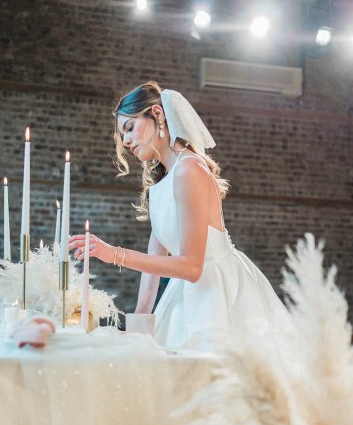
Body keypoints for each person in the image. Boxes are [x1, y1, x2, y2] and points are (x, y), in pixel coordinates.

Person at [69, 81, 290, 350]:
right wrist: (138, 329)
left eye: (130, 128)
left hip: (216, 295)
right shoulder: (160, 186)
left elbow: (192, 267)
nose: (126, 141)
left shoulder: (189, 170)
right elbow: (152, 270)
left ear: (157, 115)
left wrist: (113, 253)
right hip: (183, 296)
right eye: (122, 135)